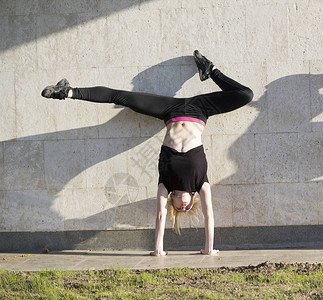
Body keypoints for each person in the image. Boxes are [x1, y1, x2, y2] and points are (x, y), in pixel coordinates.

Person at [41, 50, 253, 256]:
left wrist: (158, 249)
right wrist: (209, 248)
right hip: (201, 109)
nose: (183, 207)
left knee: (122, 97)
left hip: (170, 110)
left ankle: (67, 92)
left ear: (173, 202)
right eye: (187, 209)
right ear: (192, 199)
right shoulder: (201, 184)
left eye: (179, 210)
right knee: (245, 95)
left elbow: (161, 215)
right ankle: (210, 70)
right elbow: (209, 215)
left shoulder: (165, 185)